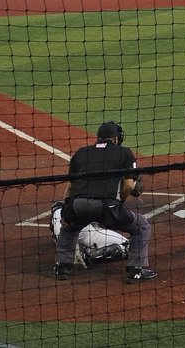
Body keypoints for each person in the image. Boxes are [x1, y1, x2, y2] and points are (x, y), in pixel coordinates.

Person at [53, 121, 156, 283]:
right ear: (115, 139)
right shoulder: (124, 153)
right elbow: (129, 185)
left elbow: (71, 187)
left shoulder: (81, 153)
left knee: (69, 227)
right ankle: (137, 269)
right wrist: (119, 203)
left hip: (79, 205)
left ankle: (62, 267)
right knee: (141, 226)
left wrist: (67, 213)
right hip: (107, 207)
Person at [51, 202, 130, 269]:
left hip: (63, 228)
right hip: (87, 232)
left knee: (59, 208)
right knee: (127, 247)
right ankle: (89, 255)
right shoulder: (102, 195)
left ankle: (69, 247)